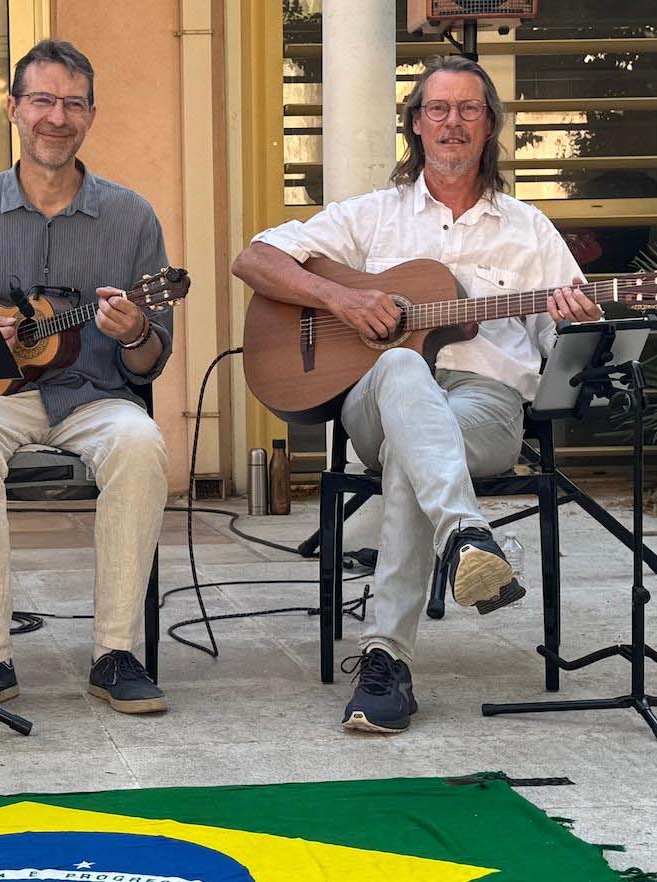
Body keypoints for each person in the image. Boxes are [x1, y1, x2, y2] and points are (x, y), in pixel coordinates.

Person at [232, 56, 602, 734]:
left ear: (490, 125)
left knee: (415, 448)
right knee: (403, 373)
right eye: (438, 109)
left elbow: (564, 351)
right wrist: (340, 297)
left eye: (468, 110)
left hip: (484, 404)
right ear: (415, 124)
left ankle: (385, 660)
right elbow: (252, 258)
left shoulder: (529, 229)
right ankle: (466, 533)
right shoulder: (373, 216)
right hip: (377, 396)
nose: (452, 123)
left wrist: (581, 323)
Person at [0, 40, 173, 716]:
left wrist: (135, 332)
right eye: (42, 101)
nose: (56, 117)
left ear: (90, 115)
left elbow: (151, 359)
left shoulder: (131, 216)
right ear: (13, 108)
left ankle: (115, 654)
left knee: (141, 444)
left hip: (95, 394)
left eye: (72, 104)